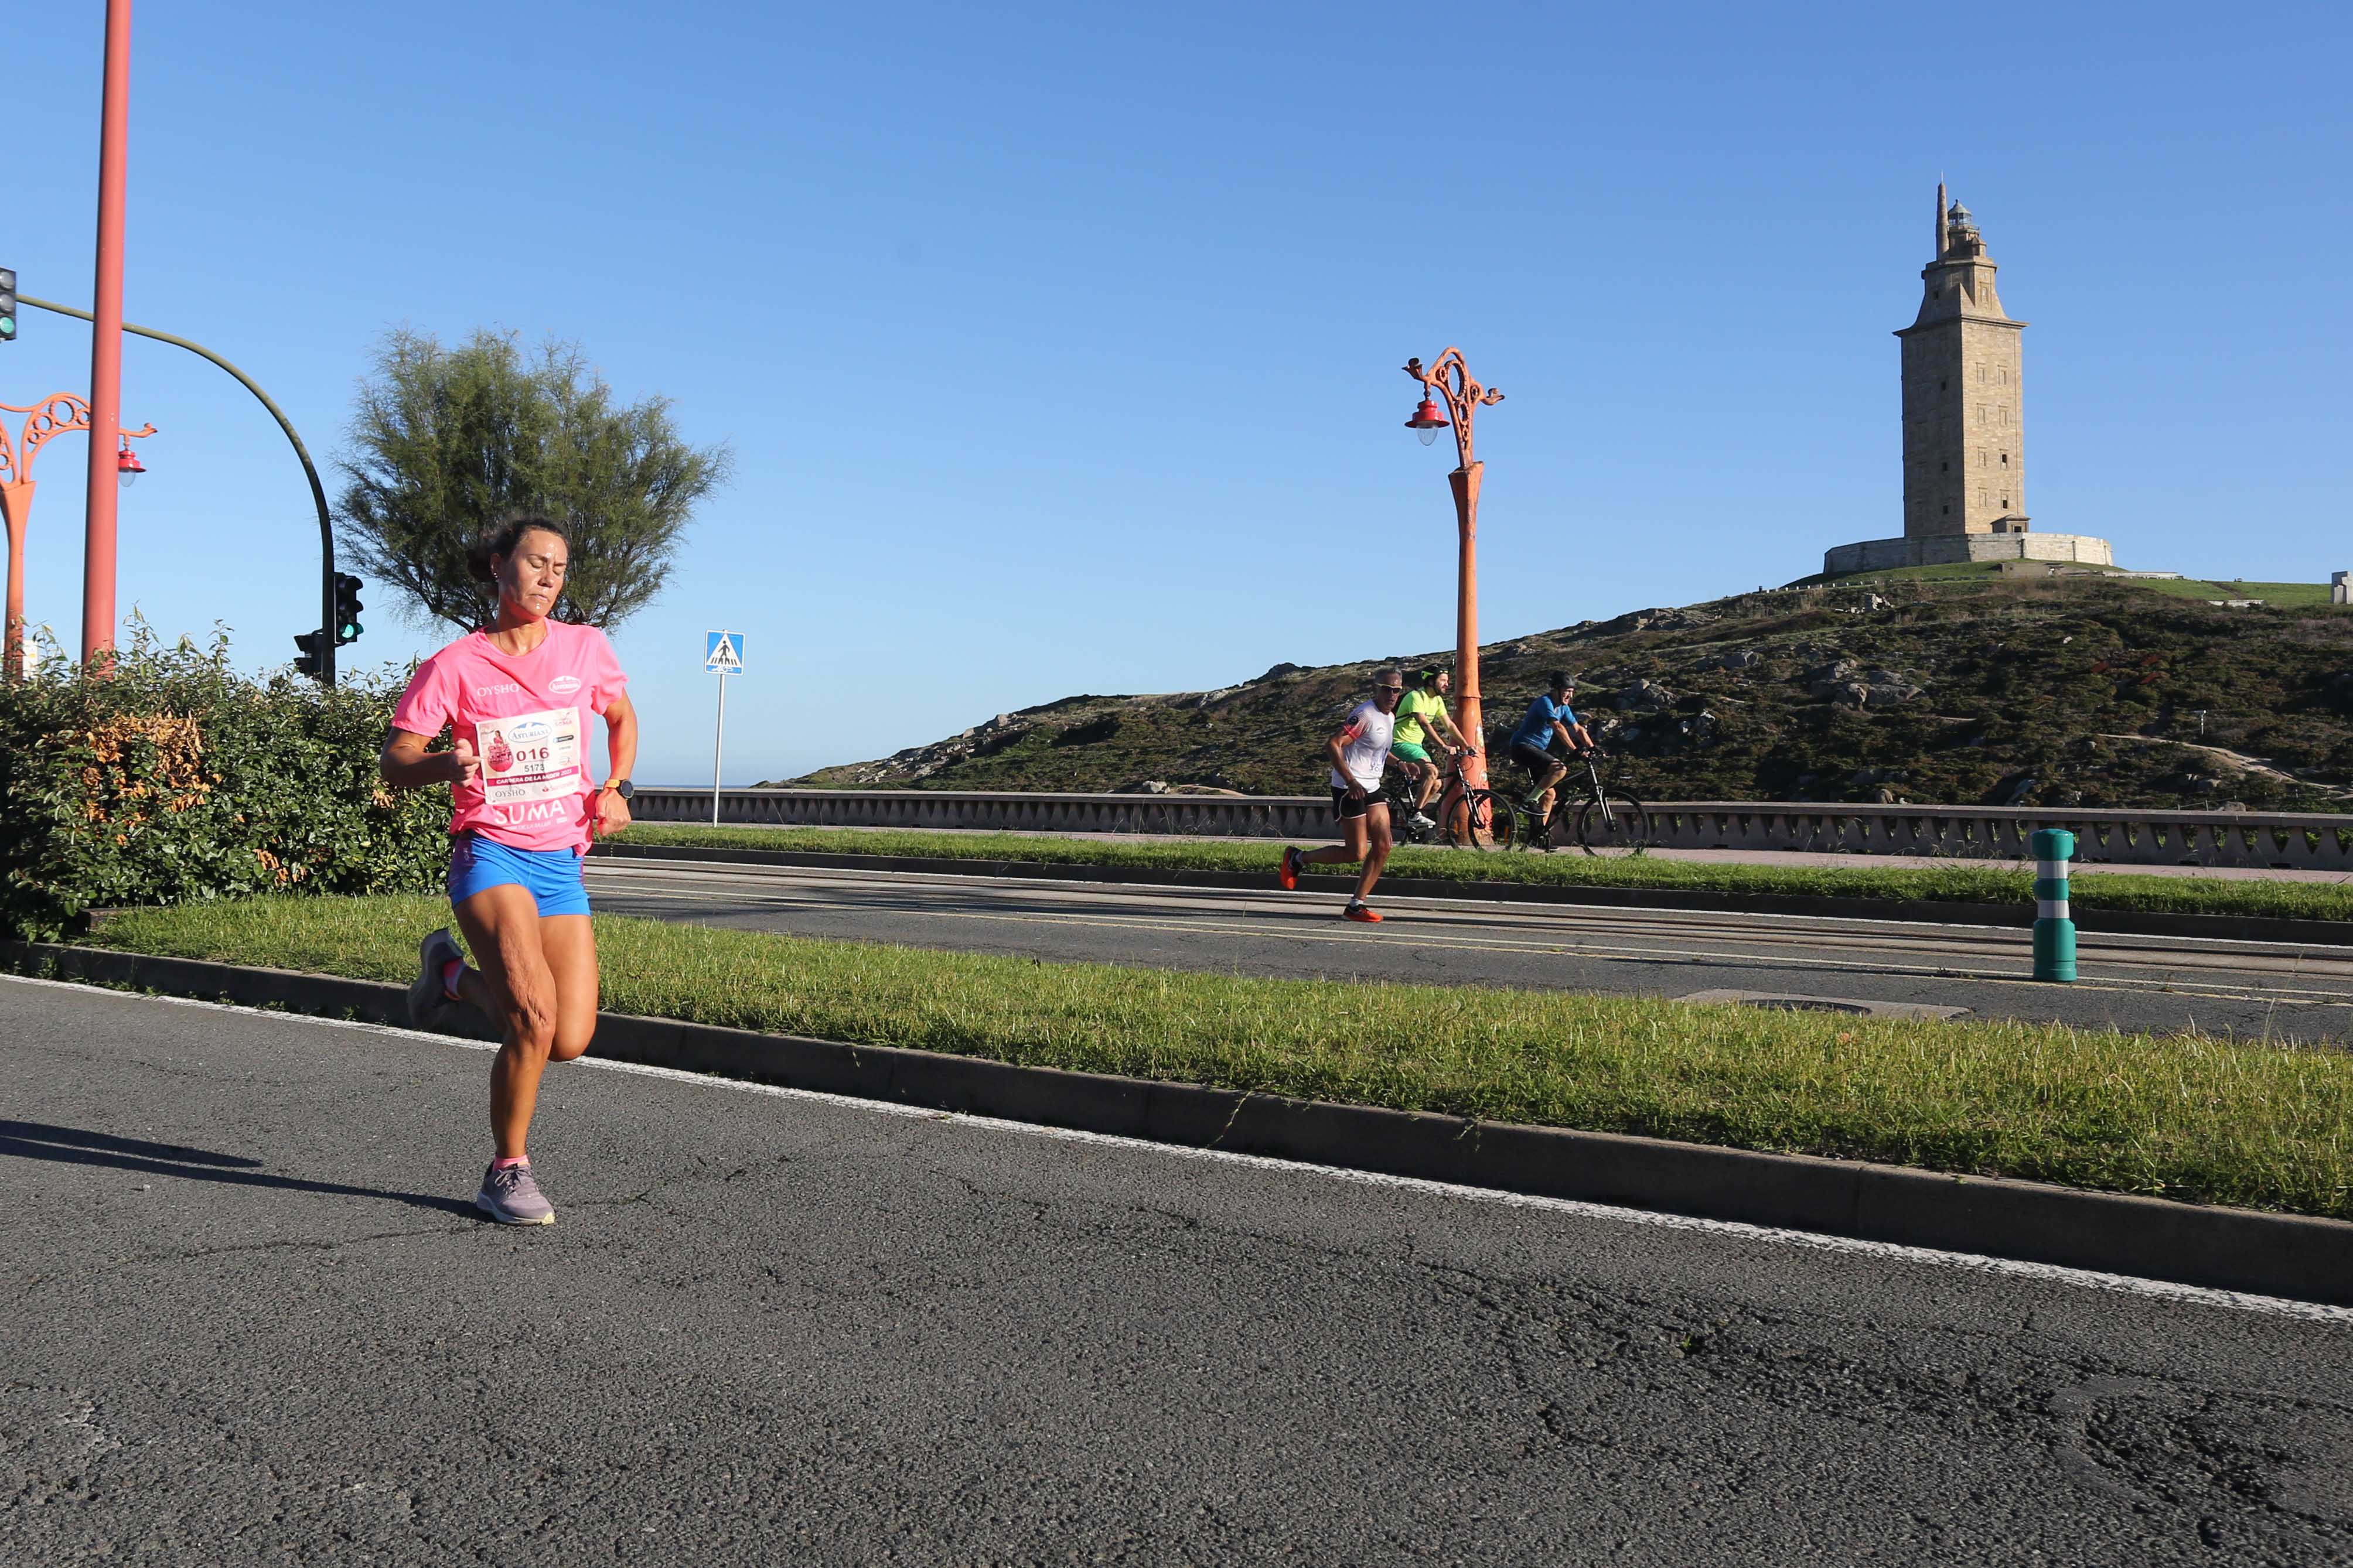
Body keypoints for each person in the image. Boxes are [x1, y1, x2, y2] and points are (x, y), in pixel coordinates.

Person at [379, 514, 638, 1226]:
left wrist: (614, 786)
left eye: (560, 566)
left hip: (560, 860)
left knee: (569, 1038)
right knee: (531, 1019)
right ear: (498, 567)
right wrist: (443, 762)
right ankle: (506, 1171)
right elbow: (395, 761)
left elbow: (621, 718)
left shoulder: (585, 649)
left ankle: (451, 977)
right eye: (535, 562)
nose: (550, 577)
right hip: (489, 850)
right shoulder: (454, 665)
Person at [1276, 667, 1406, 923]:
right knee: (1355, 853)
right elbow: (1333, 744)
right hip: (1350, 788)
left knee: (1383, 845)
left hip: (1372, 785)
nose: (1392, 695)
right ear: (1375, 689)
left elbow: (1375, 749)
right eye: (1387, 689)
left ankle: (1356, 905)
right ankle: (1298, 858)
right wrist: (1350, 780)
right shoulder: (1364, 714)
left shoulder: (1389, 717)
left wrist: (1400, 764)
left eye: (1397, 690)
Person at [1508, 672, 1595, 838]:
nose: (1569, 695)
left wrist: (1593, 747)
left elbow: (1578, 729)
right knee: (1559, 769)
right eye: (1566, 691)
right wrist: (1574, 749)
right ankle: (1529, 802)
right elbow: (1557, 726)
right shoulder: (1545, 702)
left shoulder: (1564, 708)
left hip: (1537, 749)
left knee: (1549, 794)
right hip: (1522, 746)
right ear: (1555, 690)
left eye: (1572, 691)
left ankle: (1537, 836)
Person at [1388, 666, 1474, 833]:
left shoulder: (1437, 701)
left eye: (1447, 681)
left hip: (1416, 746)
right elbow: (1424, 724)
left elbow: (1449, 725)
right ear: (1430, 681)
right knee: (1432, 772)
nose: (1447, 685)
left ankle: (1413, 815)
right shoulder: (1416, 697)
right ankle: (1415, 815)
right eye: (1443, 681)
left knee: (1437, 784)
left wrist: (1467, 745)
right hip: (1399, 743)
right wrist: (1443, 746)